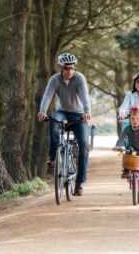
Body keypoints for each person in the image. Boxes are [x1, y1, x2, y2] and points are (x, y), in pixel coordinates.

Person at [37, 53, 91, 196]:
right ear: (61, 67)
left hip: (79, 114)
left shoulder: (79, 78)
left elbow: (85, 96)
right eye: (67, 68)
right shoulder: (54, 79)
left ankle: (79, 183)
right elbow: (47, 95)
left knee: (84, 145)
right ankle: (54, 156)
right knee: (53, 121)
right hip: (62, 112)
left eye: (72, 68)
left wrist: (87, 111)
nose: (70, 71)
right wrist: (42, 111)